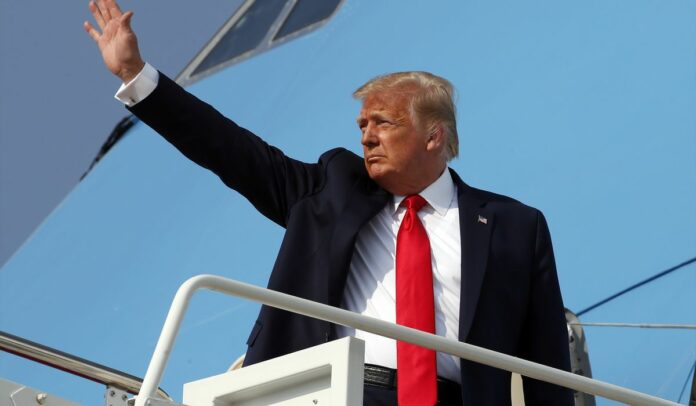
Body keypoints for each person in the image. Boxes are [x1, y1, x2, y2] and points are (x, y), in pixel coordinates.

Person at [85, 1, 573, 405]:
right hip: (342, 392)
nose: (367, 137)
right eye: (362, 126)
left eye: (383, 123)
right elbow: (229, 150)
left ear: (433, 136)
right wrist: (136, 74)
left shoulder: (515, 226)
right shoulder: (332, 190)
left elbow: (548, 369)